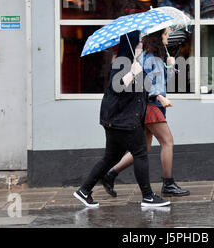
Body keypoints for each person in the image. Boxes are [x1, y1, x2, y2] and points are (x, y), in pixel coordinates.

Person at [73, 31, 170, 208]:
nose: (142, 46)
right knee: (140, 153)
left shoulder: (135, 63)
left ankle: (84, 190)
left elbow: (146, 89)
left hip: (119, 120)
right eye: (139, 43)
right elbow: (117, 87)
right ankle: (148, 196)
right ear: (132, 45)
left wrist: (159, 96)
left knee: (110, 158)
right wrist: (133, 72)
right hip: (123, 120)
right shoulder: (121, 63)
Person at [101, 28, 190, 198]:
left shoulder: (149, 57)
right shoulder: (153, 59)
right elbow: (152, 85)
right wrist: (159, 97)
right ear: (158, 37)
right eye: (166, 35)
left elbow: (161, 80)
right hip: (152, 106)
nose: (168, 37)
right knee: (167, 142)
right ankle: (168, 183)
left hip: (145, 106)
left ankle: (110, 174)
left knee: (144, 148)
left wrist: (170, 67)